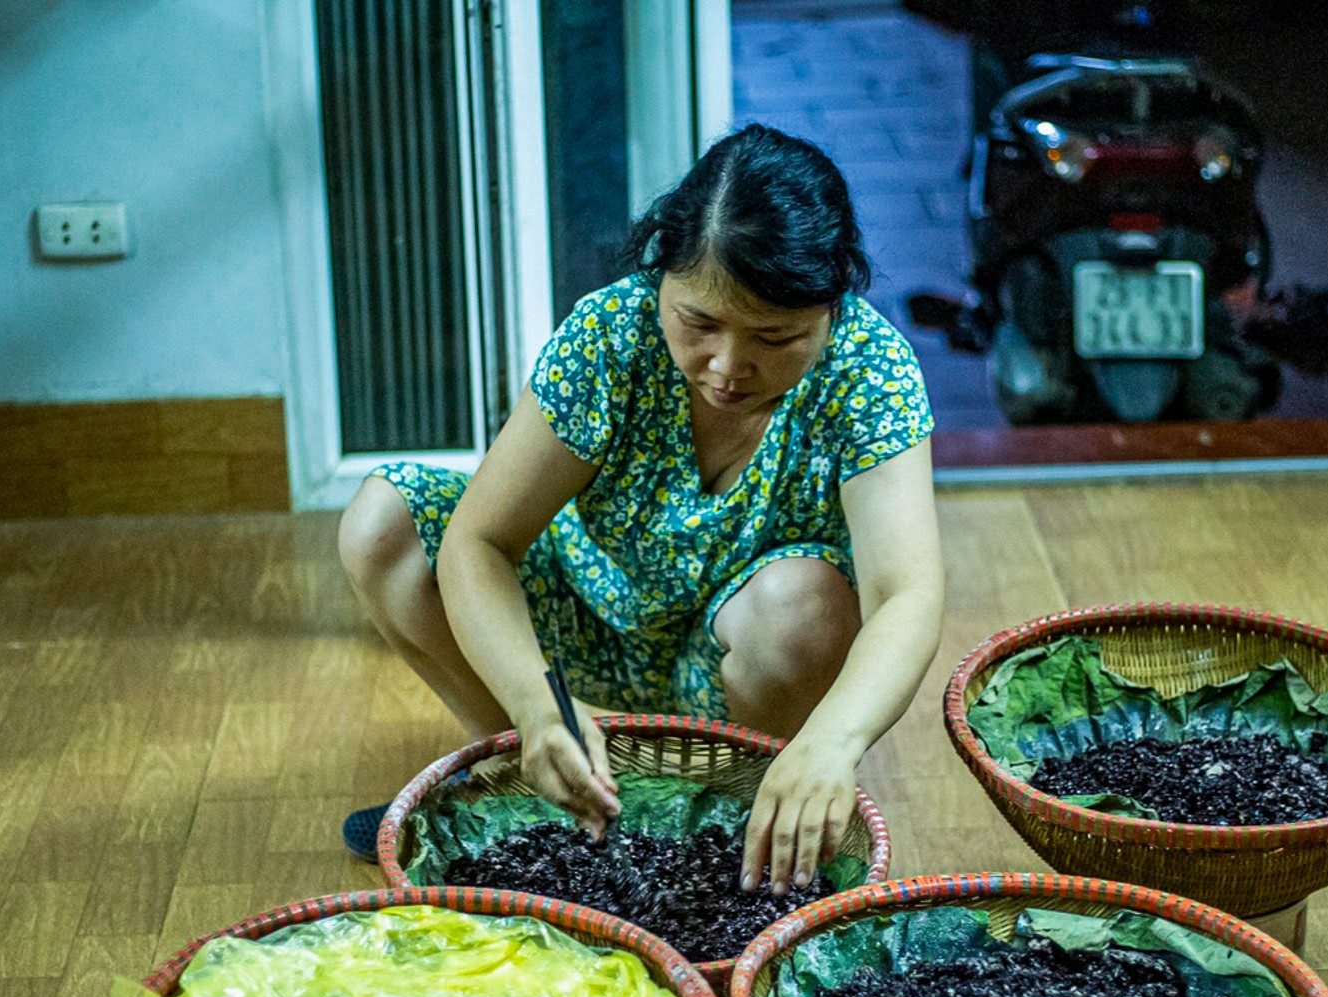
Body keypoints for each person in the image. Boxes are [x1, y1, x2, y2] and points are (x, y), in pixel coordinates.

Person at [336, 124, 944, 896]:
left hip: (739, 663)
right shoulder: (609, 337)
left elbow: (907, 593)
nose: (727, 367)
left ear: (832, 307)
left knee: (805, 605)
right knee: (384, 522)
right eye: (698, 323)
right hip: (580, 629)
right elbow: (478, 542)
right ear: (660, 280)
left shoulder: (870, 371)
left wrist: (833, 742)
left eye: (774, 336)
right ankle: (526, 777)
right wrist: (538, 701)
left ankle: (743, 813)